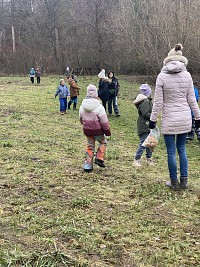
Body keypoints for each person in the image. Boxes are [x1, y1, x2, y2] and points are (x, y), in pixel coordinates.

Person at [149, 44, 200, 190]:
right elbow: (192, 100)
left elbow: (158, 102)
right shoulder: (187, 75)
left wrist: (153, 120)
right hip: (184, 118)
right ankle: (184, 181)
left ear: (168, 60)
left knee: (171, 151)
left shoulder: (162, 76)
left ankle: (174, 182)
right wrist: (198, 117)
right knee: (182, 149)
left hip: (169, 119)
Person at [79, 84, 111, 172]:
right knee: (103, 142)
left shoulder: (82, 106)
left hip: (87, 130)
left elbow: (81, 119)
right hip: (98, 131)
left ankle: (88, 165)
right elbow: (104, 122)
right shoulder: (100, 107)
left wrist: (85, 125)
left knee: (90, 146)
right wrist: (107, 132)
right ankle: (99, 157)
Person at [133, 84, 153, 167]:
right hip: (145, 124)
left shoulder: (146, 101)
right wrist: (153, 117)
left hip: (147, 124)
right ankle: (136, 159)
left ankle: (149, 158)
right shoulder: (146, 101)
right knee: (144, 142)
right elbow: (145, 113)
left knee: (149, 142)